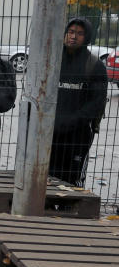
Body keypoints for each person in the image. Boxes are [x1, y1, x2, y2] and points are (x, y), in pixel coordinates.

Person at [50, 17, 108, 186]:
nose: (73, 37)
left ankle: (68, 209)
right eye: (71, 32)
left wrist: (72, 121)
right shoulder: (52, 60)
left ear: (87, 37)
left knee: (71, 179)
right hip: (48, 132)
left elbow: (97, 102)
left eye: (80, 34)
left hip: (77, 134)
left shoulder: (94, 65)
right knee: (46, 176)